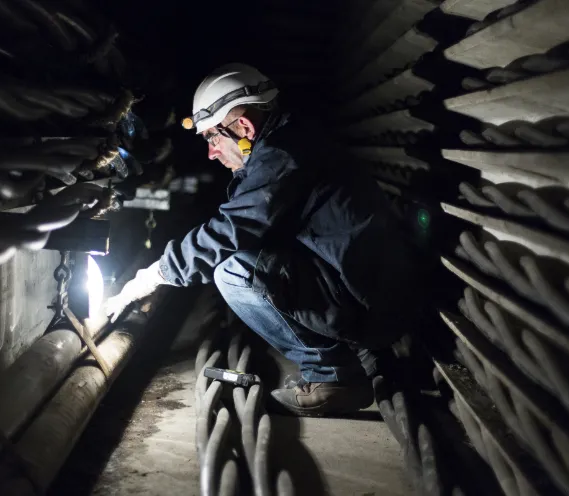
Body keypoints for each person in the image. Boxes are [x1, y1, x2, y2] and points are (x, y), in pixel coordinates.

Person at [105, 63, 422, 416]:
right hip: (371, 292)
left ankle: (333, 377)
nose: (211, 152)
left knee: (232, 269)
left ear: (243, 126)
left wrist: (156, 274)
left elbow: (231, 230)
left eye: (213, 136)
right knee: (248, 255)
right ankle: (354, 351)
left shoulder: (282, 157)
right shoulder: (291, 142)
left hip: (373, 306)